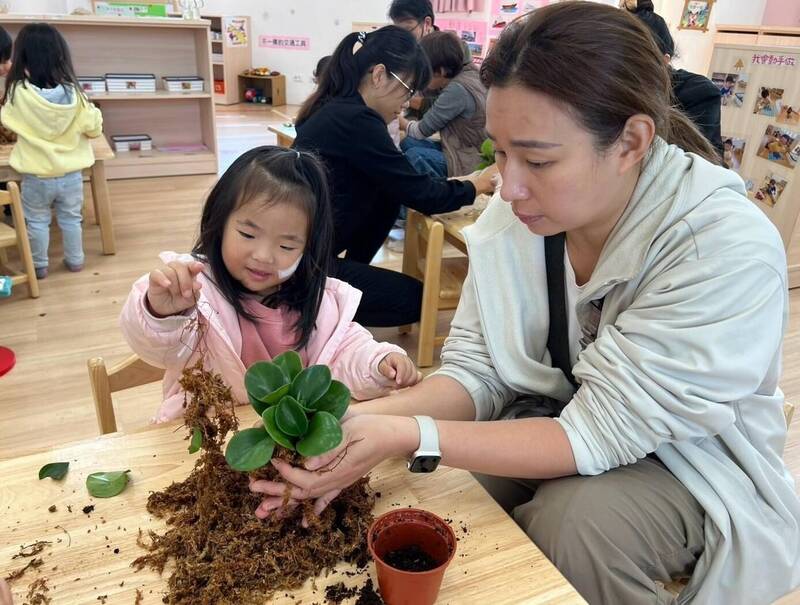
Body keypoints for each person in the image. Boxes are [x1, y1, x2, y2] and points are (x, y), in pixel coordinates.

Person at [251, 4, 800, 604]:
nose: (509, 187)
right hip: (558, 415)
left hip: (685, 458)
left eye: (538, 160)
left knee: (577, 527)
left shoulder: (718, 245)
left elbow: (600, 433)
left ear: (631, 142)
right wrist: (368, 423)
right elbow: (477, 369)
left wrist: (410, 432)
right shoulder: (526, 211)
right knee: (434, 488)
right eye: (501, 154)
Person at [120, 146, 421, 423]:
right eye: (248, 235)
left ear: (308, 249)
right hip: (202, 433)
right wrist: (160, 312)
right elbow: (156, 346)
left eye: (287, 247)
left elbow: (345, 351)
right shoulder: (195, 291)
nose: (264, 256)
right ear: (220, 223)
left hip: (284, 443)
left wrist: (378, 362)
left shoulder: (318, 302)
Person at [293, 27, 496, 328]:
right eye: (407, 88)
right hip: (298, 267)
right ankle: (313, 307)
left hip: (305, 252)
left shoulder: (338, 108)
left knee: (385, 193)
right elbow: (421, 194)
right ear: (378, 75)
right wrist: (476, 184)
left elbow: (403, 181)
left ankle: (337, 287)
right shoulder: (357, 121)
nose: (407, 101)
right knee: (415, 300)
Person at [0, 23, 103, 279]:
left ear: (21, 56)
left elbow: (8, 120)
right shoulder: (75, 94)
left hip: (36, 175)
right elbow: (93, 128)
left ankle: (39, 266)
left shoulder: (17, 93)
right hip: (71, 175)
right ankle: (76, 261)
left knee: (36, 222)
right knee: (71, 219)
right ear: (61, 55)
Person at [625, 0, 723, 160]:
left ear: (664, 60)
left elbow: (707, 163)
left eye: (634, 59)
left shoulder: (699, 93)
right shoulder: (609, 84)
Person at [400, 30, 487, 177]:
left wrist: (397, 119)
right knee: (408, 143)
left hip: (472, 158)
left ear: (440, 71)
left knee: (415, 156)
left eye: (424, 73)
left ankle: (436, 193)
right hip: (462, 146)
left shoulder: (457, 90)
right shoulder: (468, 72)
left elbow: (420, 131)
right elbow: (423, 90)